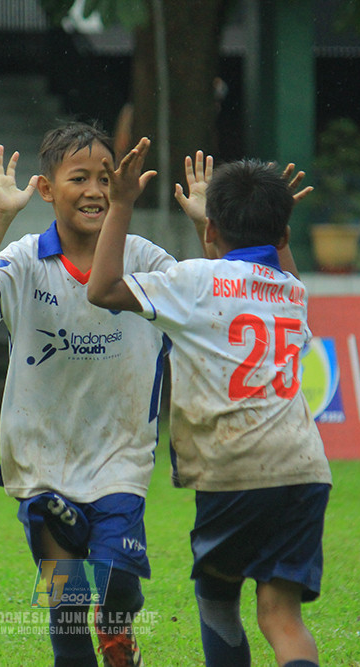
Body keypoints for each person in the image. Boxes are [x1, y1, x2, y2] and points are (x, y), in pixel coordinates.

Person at [87, 140, 332, 667]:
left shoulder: (194, 280)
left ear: (211, 234)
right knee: (281, 617)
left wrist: (123, 203)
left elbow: (103, 289)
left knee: (218, 599)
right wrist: (244, 223)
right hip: (305, 470)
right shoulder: (293, 293)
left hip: (234, 471)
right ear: (285, 235)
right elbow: (268, 276)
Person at [0, 121, 184, 667]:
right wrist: (3, 214)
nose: (96, 190)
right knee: (67, 605)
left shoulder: (144, 259)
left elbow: (202, 302)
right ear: (48, 188)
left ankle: (119, 628)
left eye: (106, 177)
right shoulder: (27, 258)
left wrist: (203, 229)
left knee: (120, 585)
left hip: (119, 458)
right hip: (41, 463)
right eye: (79, 177)